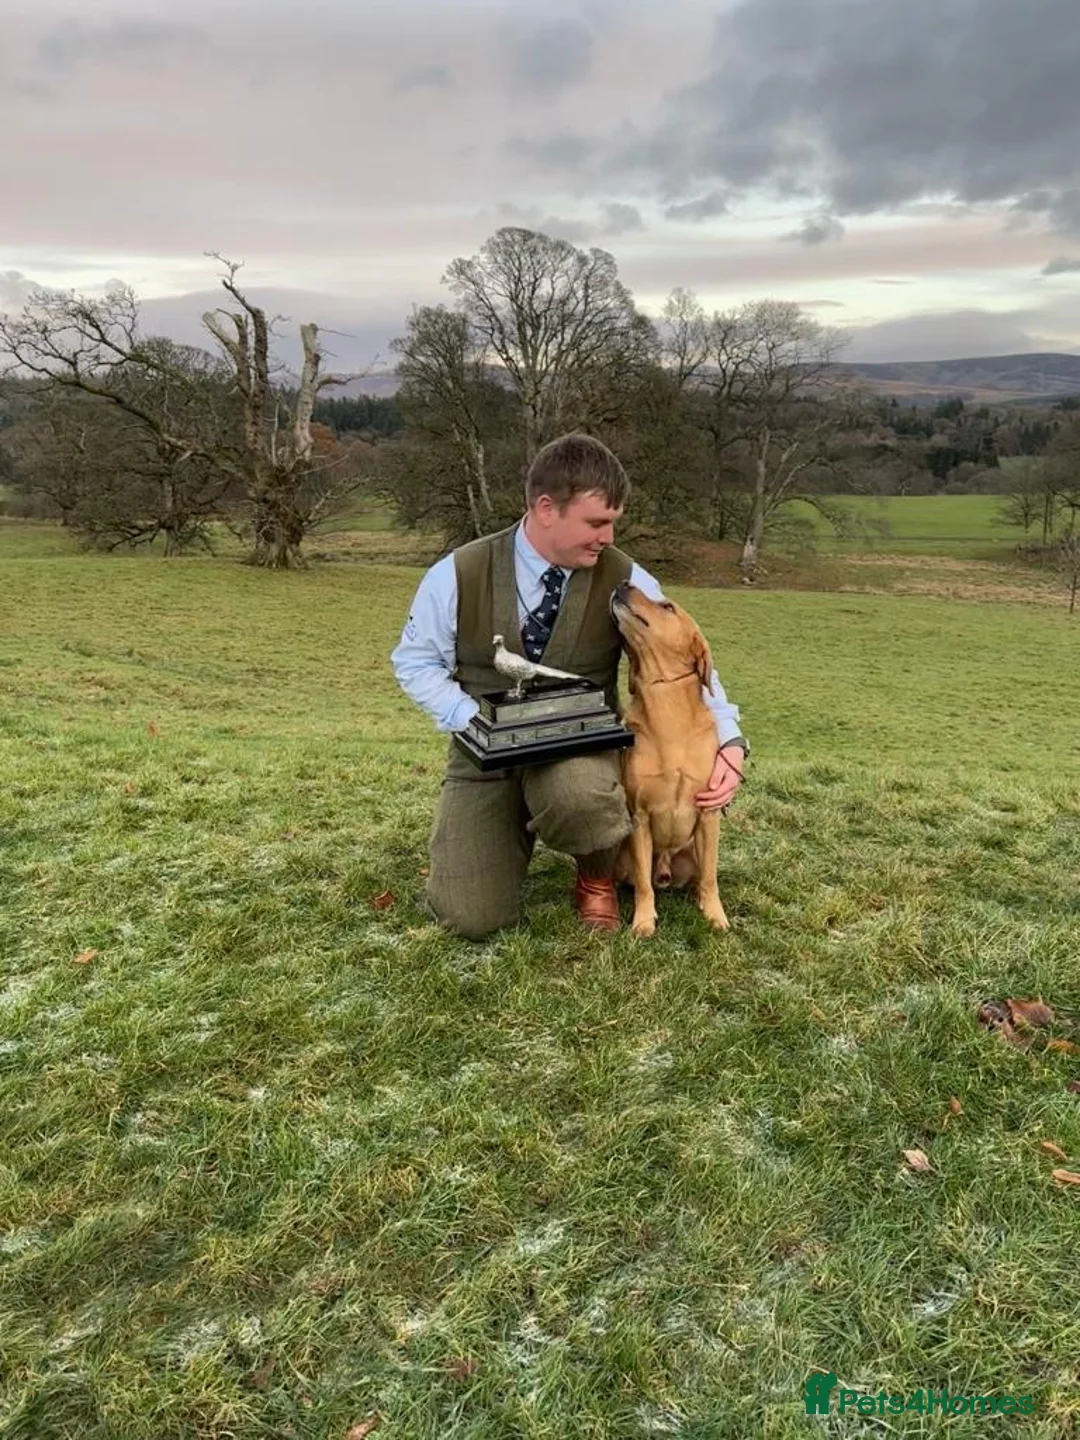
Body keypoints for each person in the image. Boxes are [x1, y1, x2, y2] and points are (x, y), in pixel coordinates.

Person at [391, 432, 748, 939]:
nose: (607, 537)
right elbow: (415, 663)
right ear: (545, 508)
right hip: (485, 760)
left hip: (577, 753)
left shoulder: (625, 578)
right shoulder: (457, 573)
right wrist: (473, 719)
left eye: (612, 524)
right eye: (596, 523)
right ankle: (503, 831)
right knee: (470, 917)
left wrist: (730, 740)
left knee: (583, 798)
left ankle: (596, 872)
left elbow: (682, 657)